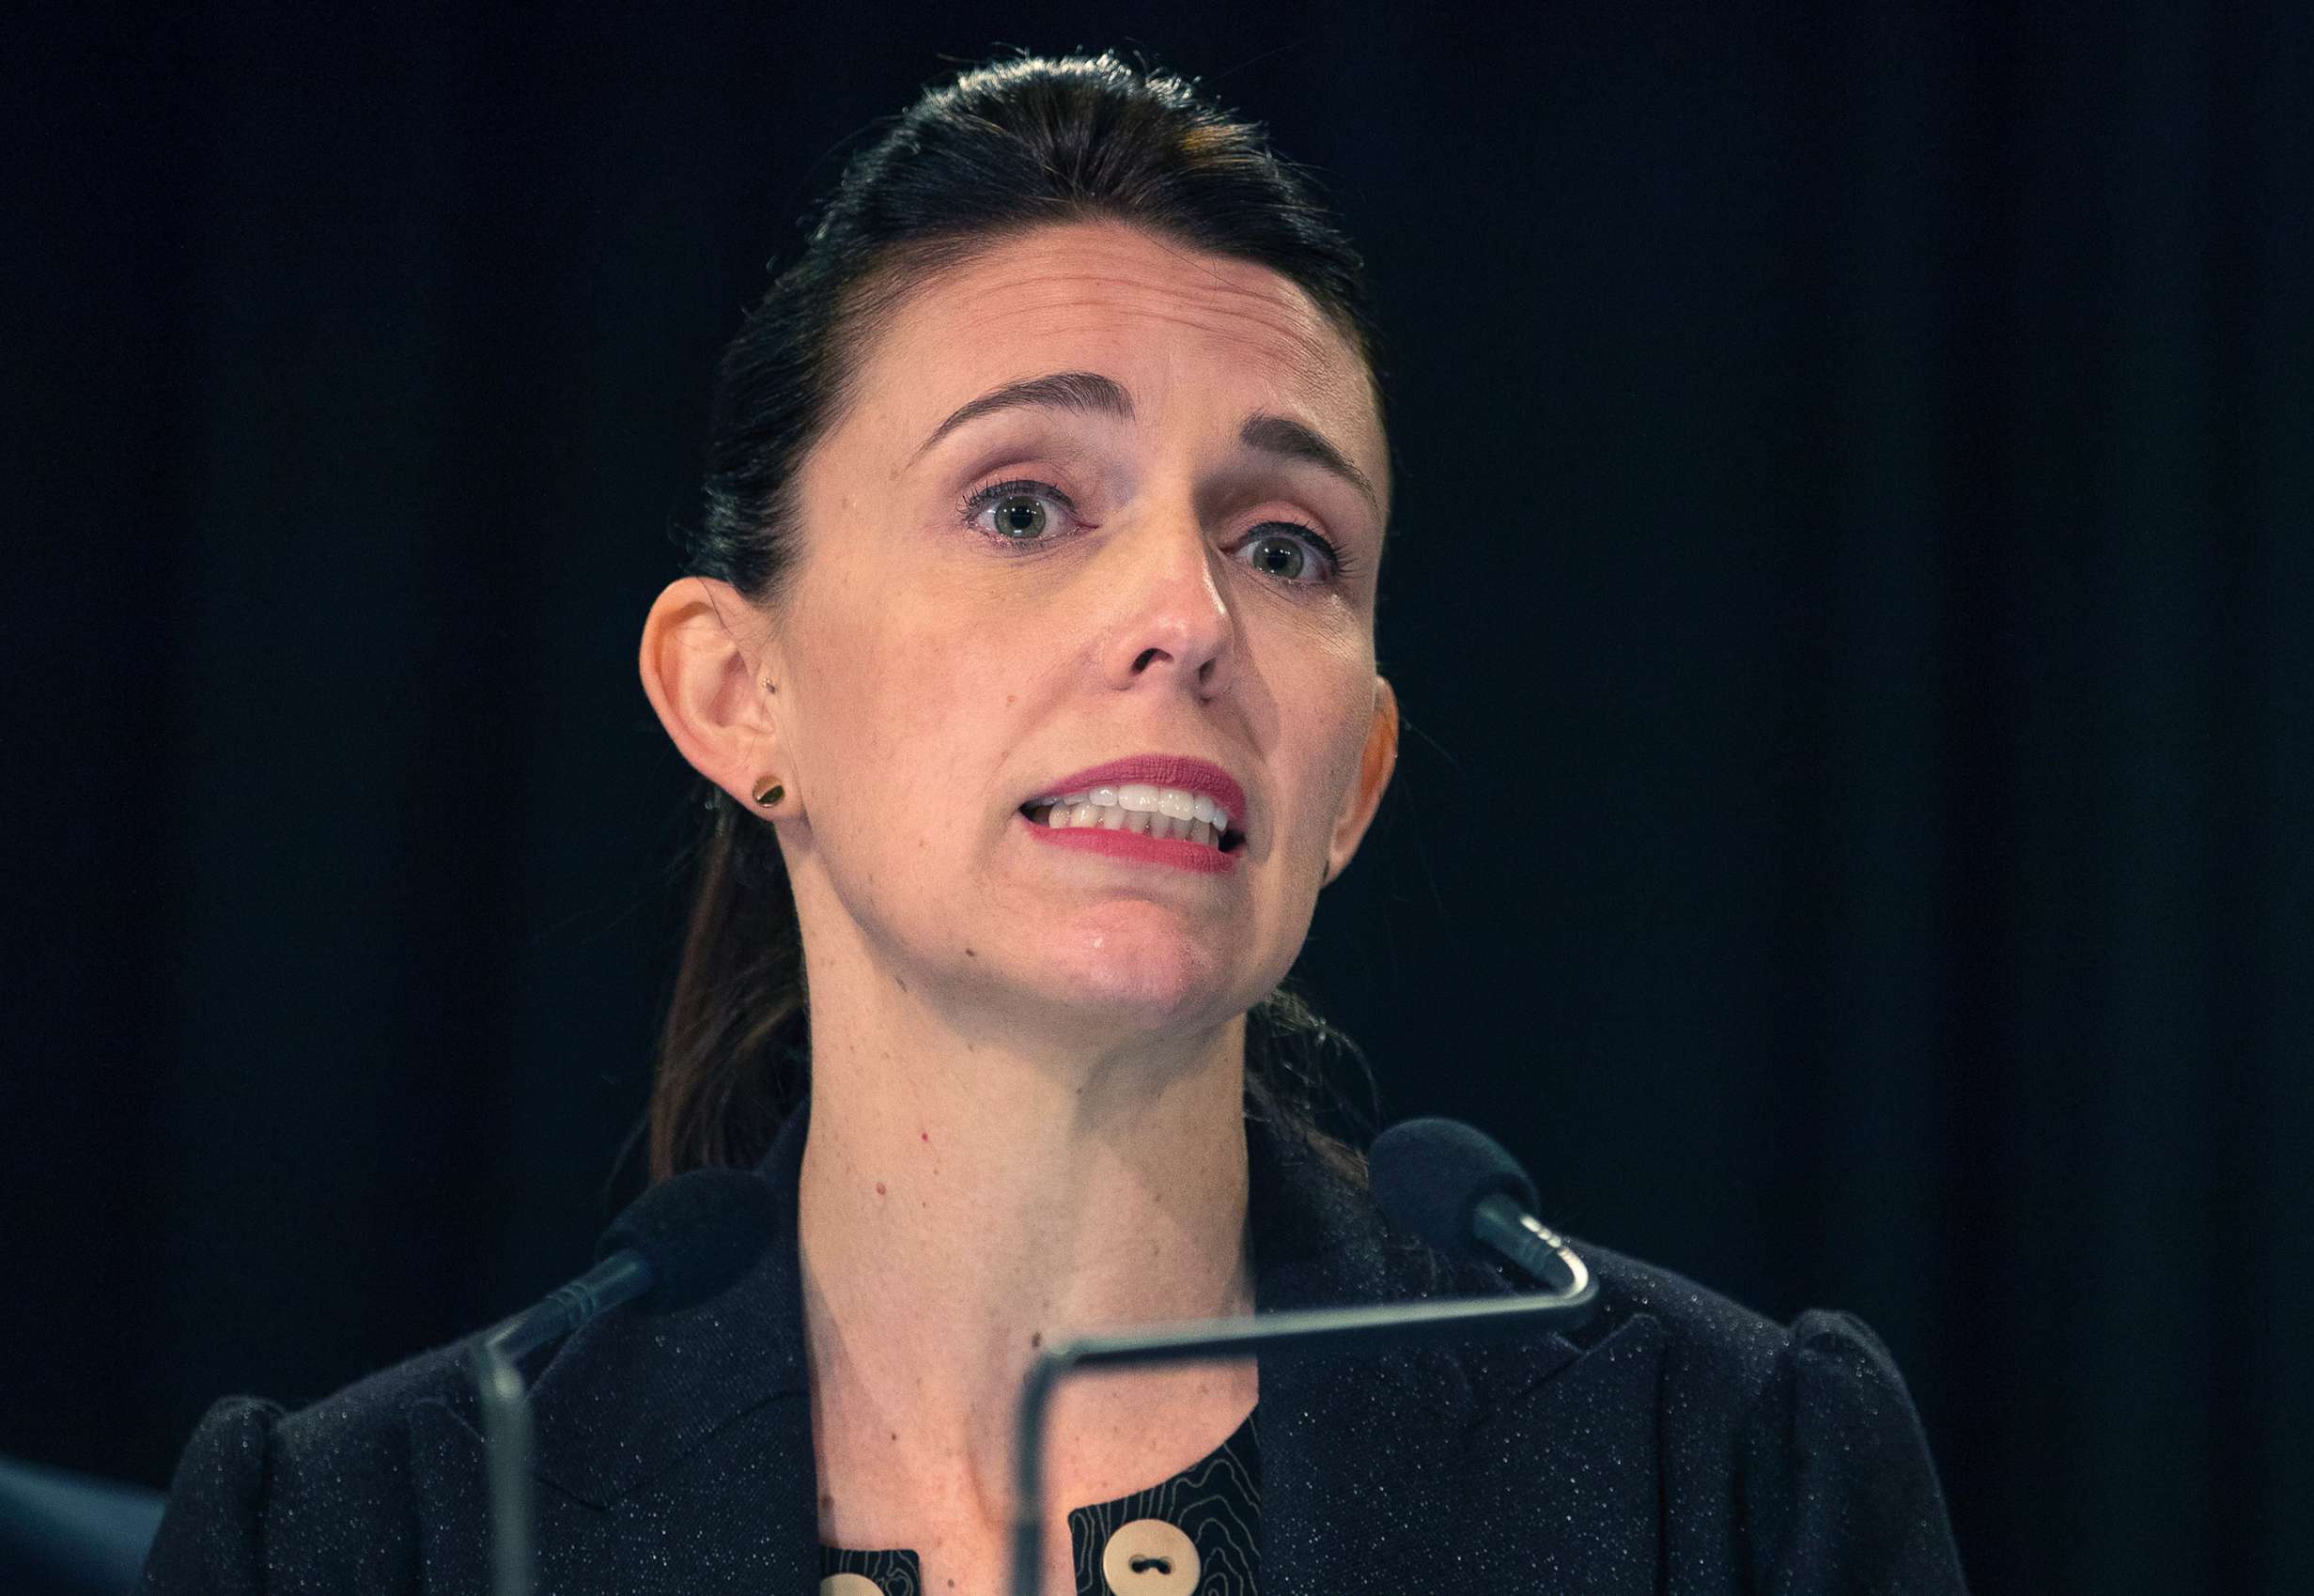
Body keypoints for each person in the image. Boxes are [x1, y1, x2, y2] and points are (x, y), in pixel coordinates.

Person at [140, 52, 1966, 1596]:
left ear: (1358, 782)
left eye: (1285, 545)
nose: (1188, 609)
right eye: (1023, 507)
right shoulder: (369, 1533)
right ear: (734, 694)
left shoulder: (1730, 1480)